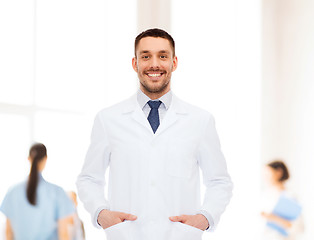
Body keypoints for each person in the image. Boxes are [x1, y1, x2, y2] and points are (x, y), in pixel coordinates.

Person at [76, 28, 233, 240]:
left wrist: (205, 218)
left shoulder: (200, 120)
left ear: (174, 63)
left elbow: (220, 181)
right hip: (126, 235)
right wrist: (101, 213)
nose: (154, 64)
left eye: (163, 56)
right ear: (135, 64)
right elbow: (88, 178)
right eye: (146, 56)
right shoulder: (108, 119)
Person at [0, 143, 75, 240]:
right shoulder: (57, 193)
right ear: (45, 159)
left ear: (28, 159)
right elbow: (64, 234)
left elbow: (8, 233)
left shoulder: (13, 192)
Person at [261, 160, 304, 240]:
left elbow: (299, 227)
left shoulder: (290, 197)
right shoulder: (264, 195)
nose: (265, 177)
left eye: (267, 174)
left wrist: (273, 218)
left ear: (279, 172)